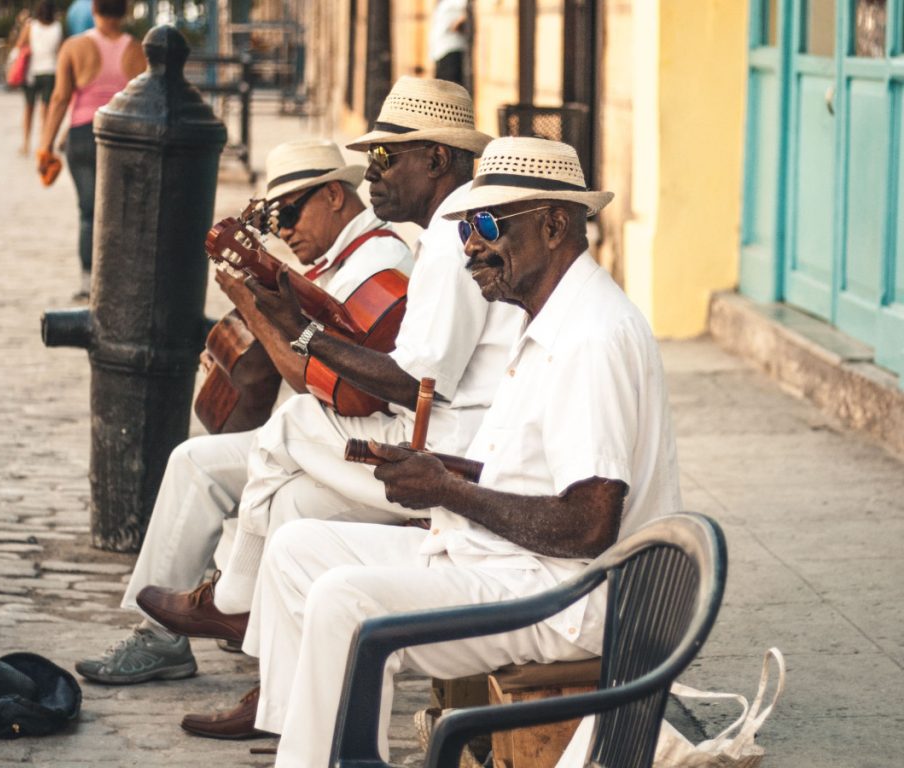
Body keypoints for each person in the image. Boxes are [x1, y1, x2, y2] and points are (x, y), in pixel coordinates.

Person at [237, 136, 683, 766]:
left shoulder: (591, 338)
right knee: (296, 549)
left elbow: (589, 524)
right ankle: (311, 744)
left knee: (344, 601)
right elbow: (536, 474)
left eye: (486, 224)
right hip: (523, 563)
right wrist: (443, 471)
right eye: (467, 226)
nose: (470, 244)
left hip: (569, 595)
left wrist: (449, 491)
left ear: (554, 226)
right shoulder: (549, 314)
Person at [142, 76, 525, 739]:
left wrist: (306, 333)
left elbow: (411, 383)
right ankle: (282, 714)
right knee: (292, 511)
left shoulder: (454, 238)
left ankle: (233, 599)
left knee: (291, 424)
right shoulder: (449, 232)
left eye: (386, 159)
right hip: (448, 436)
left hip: (449, 457)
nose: (373, 176)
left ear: (436, 159)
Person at [74, 139, 415, 687]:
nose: (282, 231)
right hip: (325, 433)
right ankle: (170, 630)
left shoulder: (378, 263)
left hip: (358, 439)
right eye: (273, 220)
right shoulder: (338, 261)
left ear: (333, 195)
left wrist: (257, 310)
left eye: (289, 213)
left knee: (222, 470)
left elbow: (328, 385)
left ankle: (224, 615)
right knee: (195, 461)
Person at [37, 0, 145, 301]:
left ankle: (88, 283)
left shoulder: (73, 47)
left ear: (94, 11)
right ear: (124, 12)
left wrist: (45, 145)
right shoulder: (137, 50)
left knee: (88, 211)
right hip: (125, 136)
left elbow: (59, 98)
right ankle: (120, 279)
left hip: (84, 134)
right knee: (124, 212)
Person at [13, 1, 62, 157]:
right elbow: (59, 50)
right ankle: (43, 143)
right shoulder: (57, 27)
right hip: (50, 71)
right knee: (46, 110)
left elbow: (20, 44)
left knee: (29, 109)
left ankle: (26, 143)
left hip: (32, 72)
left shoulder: (30, 26)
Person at [429, 0, 468, 85]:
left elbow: (467, 8)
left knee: (451, 86)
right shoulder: (442, 3)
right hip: (440, 52)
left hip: (452, 48)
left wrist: (458, 23)